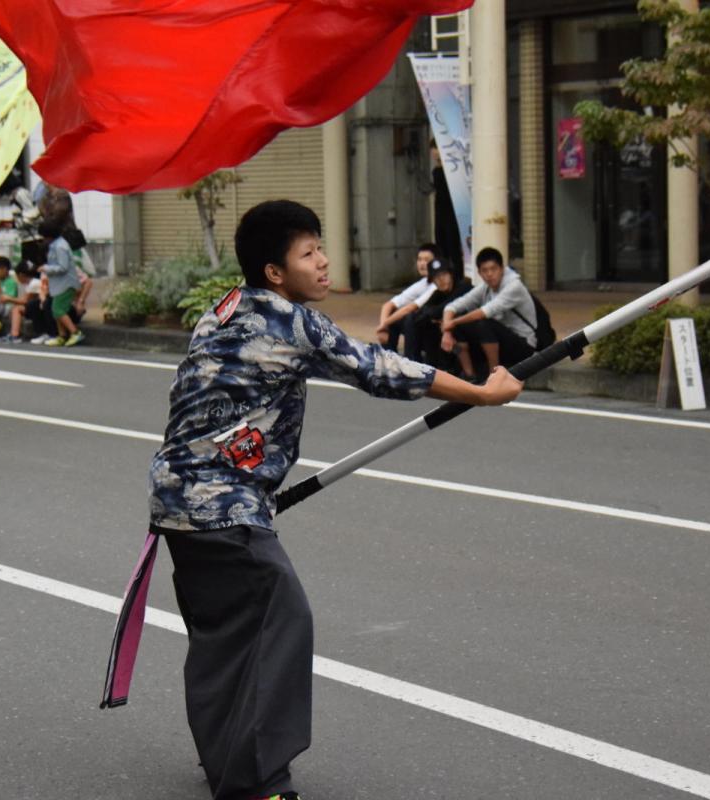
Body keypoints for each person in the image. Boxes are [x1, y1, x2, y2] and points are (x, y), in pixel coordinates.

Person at [122, 200, 522, 800]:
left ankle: (227, 761)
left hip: (174, 499)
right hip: (224, 508)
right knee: (281, 620)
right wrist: (481, 393)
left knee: (223, 633)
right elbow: (379, 368)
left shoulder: (223, 309)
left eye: (320, 248)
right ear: (275, 272)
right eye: (308, 253)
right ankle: (259, 783)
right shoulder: (294, 322)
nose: (324, 261)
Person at [440, 246, 538, 380]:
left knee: (482, 324)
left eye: (493, 269)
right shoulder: (486, 287)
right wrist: (448, 330)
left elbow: (484, 312)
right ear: (479, 273)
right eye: (485, 270)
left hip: (523, 345)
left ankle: (494, 377)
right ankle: (469, 375)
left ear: (502, 269)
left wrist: (451, 323)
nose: (490, 274)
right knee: (460, 325)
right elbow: (453, 306)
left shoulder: (514, 286)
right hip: (500, 341)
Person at [381, 258, 472, 370]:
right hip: (442, 334)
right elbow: (424, 311)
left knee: (420, 321)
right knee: (409, 320)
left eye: (444, 275)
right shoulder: (438, 293)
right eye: (436, 277)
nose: (441, 280)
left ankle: (414, 364)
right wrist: (384, 325)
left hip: (465, 334)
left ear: (451, 275)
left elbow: (441, 309)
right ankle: (394, 363)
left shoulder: (463, 287)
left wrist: (432, 315)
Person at [375, 243, 438, 356]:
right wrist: (383, 327)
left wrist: (384, 324)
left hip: (436, 331)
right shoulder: (423, 282)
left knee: (409, 318)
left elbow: (410, 308)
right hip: (422, 329)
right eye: (419, 259)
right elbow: (389, 304)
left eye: (426, 260)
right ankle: (389, 358)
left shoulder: (437, 284)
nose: (422, 263)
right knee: (394, 315)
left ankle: (411, 360)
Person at [38, 219, 85, 347]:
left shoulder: (60, 247)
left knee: (58, 310)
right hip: (60, 284)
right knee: (56, 310)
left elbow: (63, 267)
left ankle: (75, 332)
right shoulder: (57, 245)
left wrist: (46, 268)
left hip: (66, 284)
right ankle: (62, 335)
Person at [1, 260, 41, 343]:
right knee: (13, 309)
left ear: (21, 275)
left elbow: (25, 301)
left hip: (38, 308)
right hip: (33, 307)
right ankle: (15, 332)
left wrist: (9, 298)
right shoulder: (27, 283)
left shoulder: (34, 283)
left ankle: (15, 335)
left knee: (17, 309)